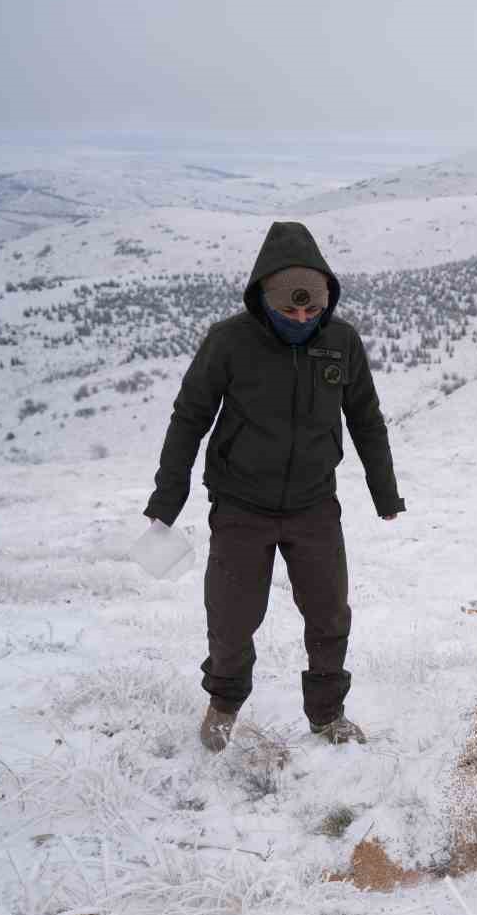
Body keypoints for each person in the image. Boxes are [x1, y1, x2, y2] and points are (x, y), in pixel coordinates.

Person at [145, 221, 404, 752]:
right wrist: (167, 500)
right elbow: (188, 418)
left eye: (313, 311)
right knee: (232, 616)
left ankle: (327, 714)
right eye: (290, 311)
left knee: (330, 612)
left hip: (314, 503)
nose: (302, 320)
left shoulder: (340, 343)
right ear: (264, 298)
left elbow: (366, 420)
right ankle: (223, 704)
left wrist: (385, 492)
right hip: (241, 504)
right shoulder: (229, 342)